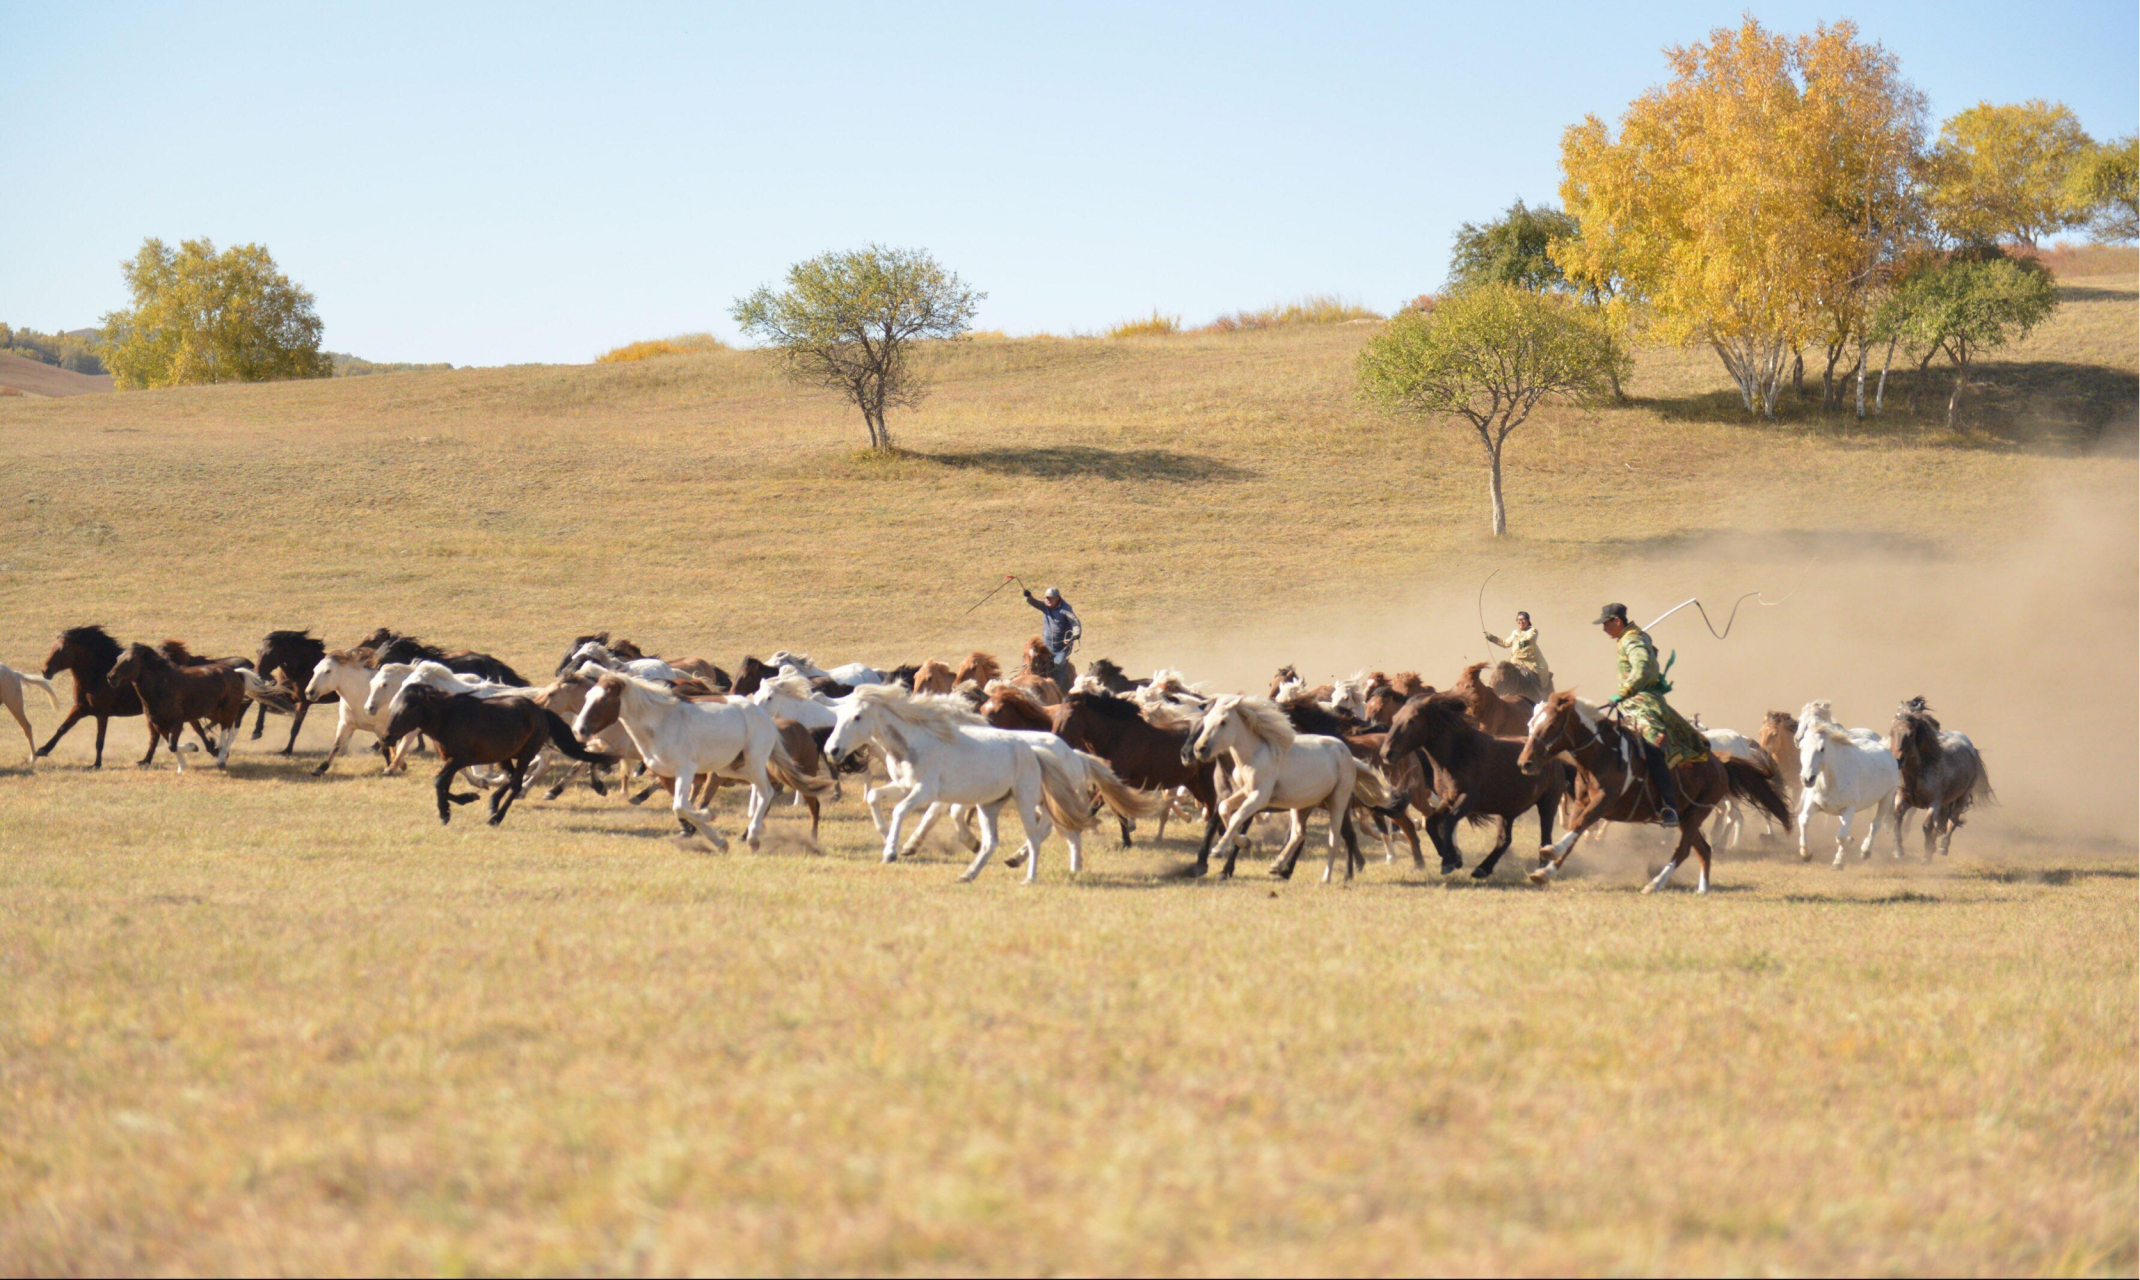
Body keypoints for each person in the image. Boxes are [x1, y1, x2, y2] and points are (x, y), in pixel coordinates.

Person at [1595, 602, 1709, 825]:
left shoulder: (1632, 640)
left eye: (1605, 624)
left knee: (1653, 748)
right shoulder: (1632, 638)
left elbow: (1643, 668)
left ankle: (1670, 807)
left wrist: (1624, 692)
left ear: (1616, 621)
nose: (1603, 629)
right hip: (1632, 705)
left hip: (1642, 705)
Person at [1483, 610, 1553, 694]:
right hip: (1515, 662)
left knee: (1532, 679)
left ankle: (1538, 694)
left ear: (1528, 621)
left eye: (1523, 620)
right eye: (1519, 620)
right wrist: (1492, 638)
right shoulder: (1515, 633)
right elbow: (1505, 643)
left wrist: (1523, 643)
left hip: (1529, 663)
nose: (1521, 622)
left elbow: (1530, 640)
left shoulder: (1532, 631)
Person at [1023, 585, 1082, 683]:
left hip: (1061, 648)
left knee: (1057, 664)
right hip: (1046, 646)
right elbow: (1033, 602)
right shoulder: (1045, 606)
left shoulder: (1065, 609)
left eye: (1050, 598)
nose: (1048, 600)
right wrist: (1028, 596)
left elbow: (1075, 622)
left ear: (1057, 598)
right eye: (1046, 598)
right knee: (1031, 657)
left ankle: (1056, 684)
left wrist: (1076, 633)